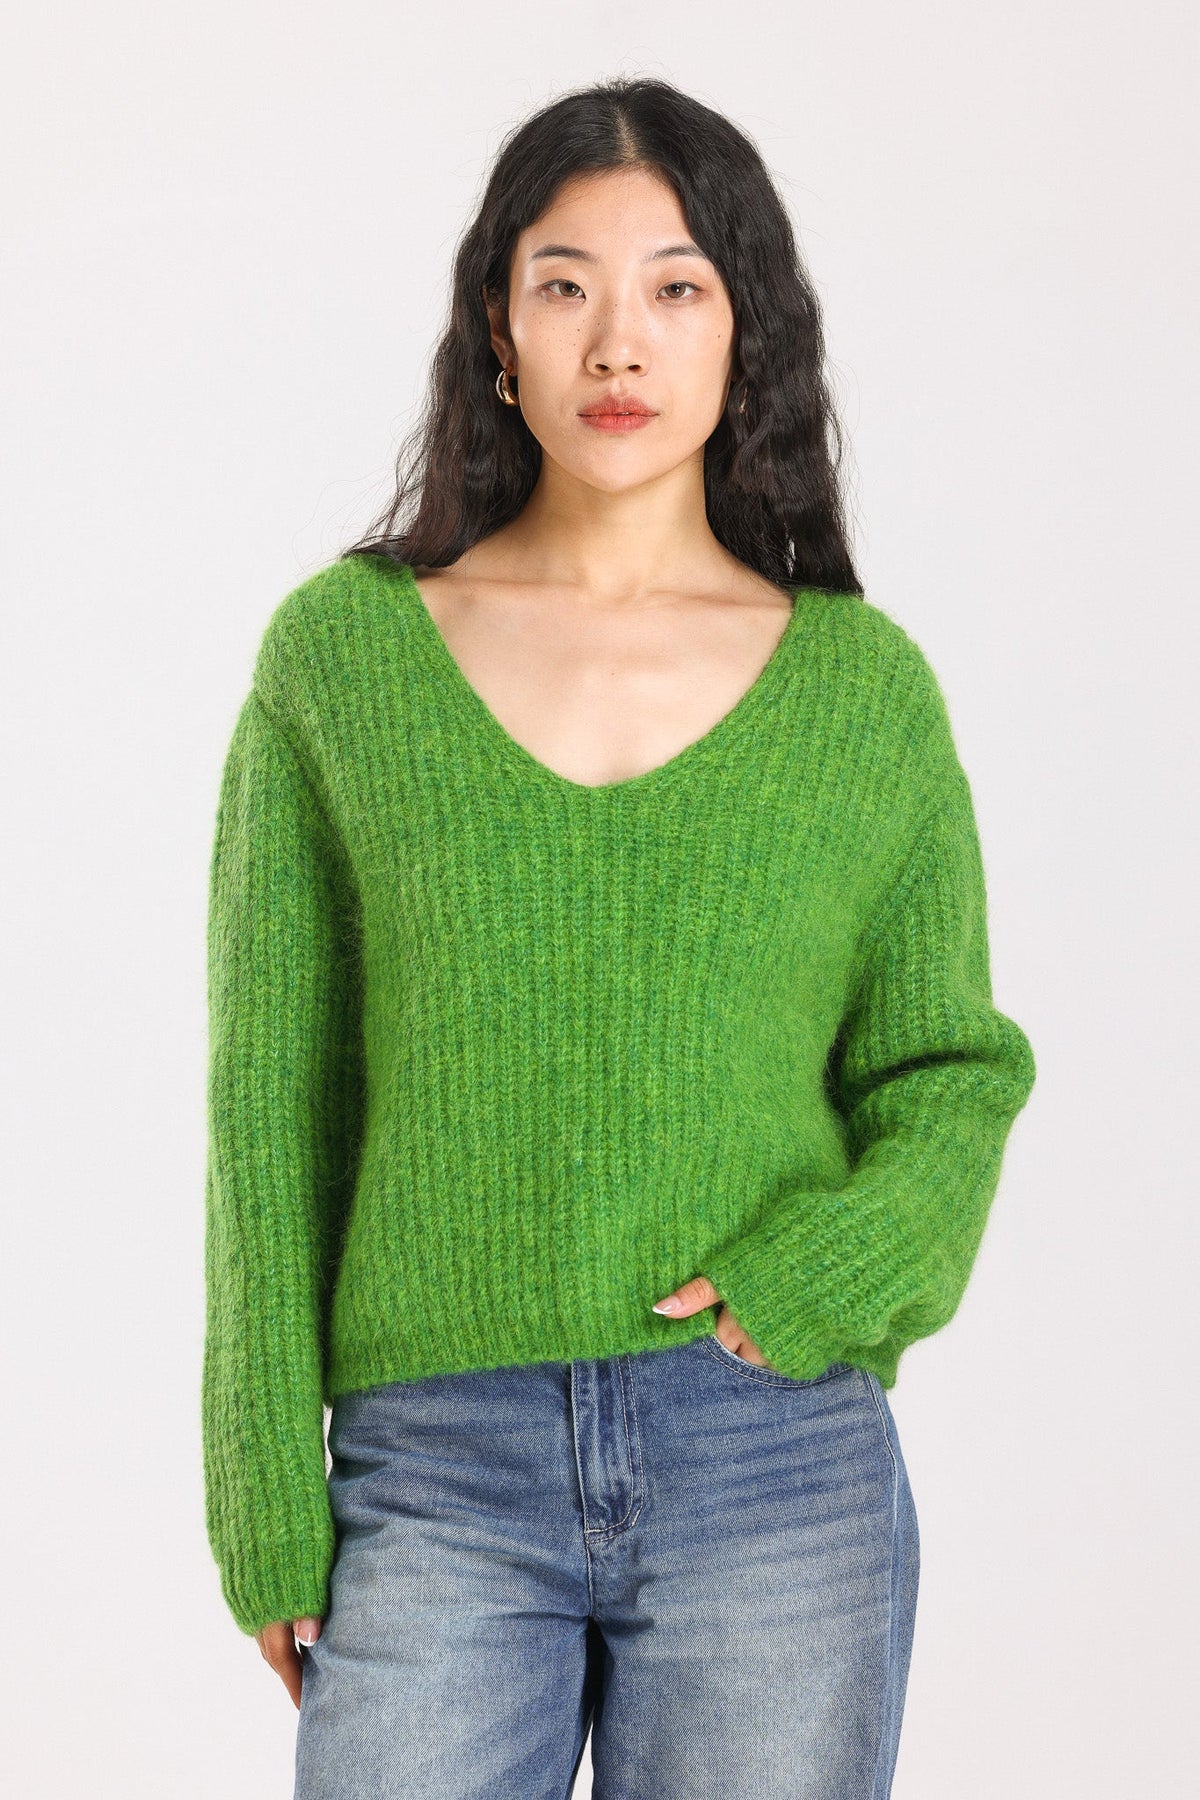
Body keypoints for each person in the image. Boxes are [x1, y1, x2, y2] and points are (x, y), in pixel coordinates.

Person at [202, 75, 1036, 1799]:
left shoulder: (861, 693)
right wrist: (265, 1480)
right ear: (498, 330)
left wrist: (823, 1279)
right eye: (564, 283)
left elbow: (952, 1075)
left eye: (675, 286)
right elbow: (272, 1103)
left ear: (744, 333)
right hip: (435, 1469)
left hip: (771, 1462)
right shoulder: (341, 661)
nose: (617, 341)